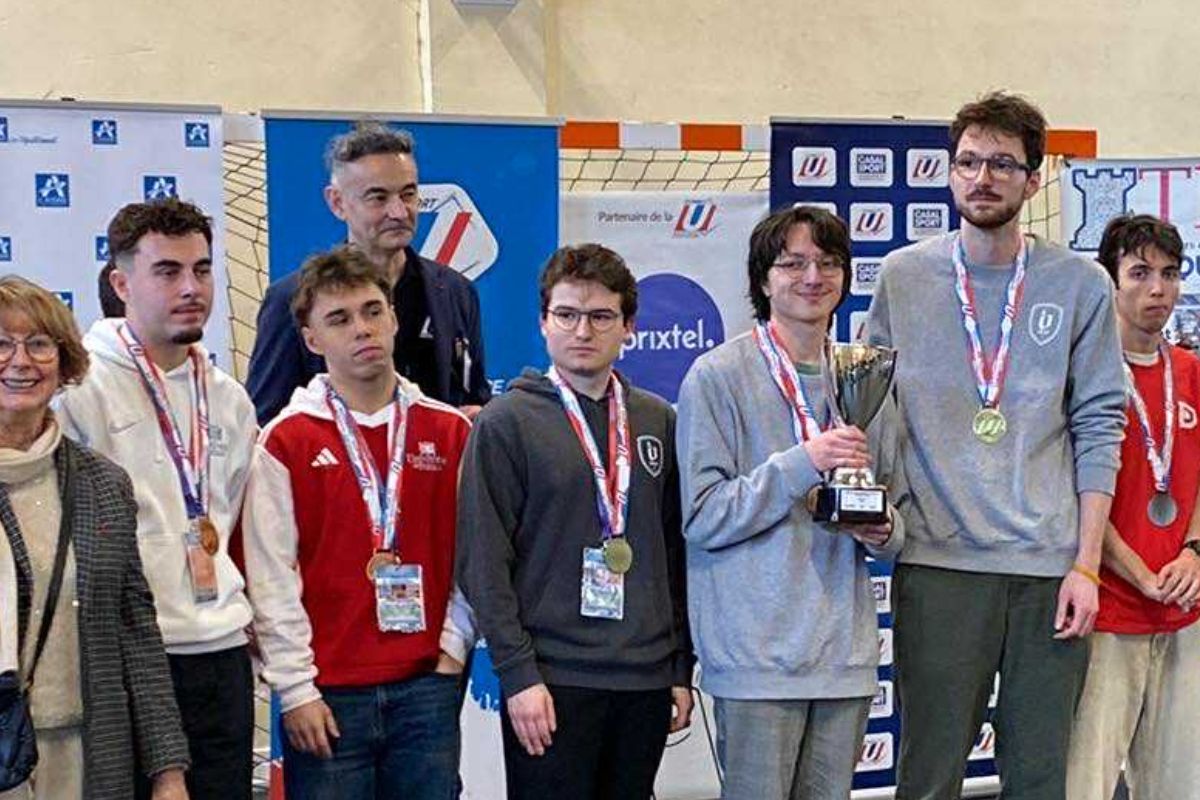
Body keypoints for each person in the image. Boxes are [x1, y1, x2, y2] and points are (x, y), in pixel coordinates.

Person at [865, 91, 1127, 798]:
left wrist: (1086, 565)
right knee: (929, 778)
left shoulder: (1080, 284)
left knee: (1039, 779)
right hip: (939, 567)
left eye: (1003, 164)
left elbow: (1100, 425)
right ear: (950, 173)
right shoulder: (902, 277)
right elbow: (872, 413)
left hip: (1049, 573)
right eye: (969, 162)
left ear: (1033, 180)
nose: (983, 177)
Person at [676, 206, 904, 799]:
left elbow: (898, 514)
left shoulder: (863, 374)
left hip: (843, 659)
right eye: (793, 263)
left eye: (828, 263)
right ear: (763, 279)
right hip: (756, 662)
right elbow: (703, 516)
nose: (812, 277)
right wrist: (802, 461)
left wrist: (881, 527)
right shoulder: (717, 376)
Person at [457, 243, 694, 800]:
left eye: (601, 316)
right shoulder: (506, 423)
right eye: (566, 314)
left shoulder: (657, 419)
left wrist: (679, 666)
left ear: (628, 326)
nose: (582, 331)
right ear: (543, 322)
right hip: (552, 679)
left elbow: (675, 553)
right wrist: (518, 675)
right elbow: (482, 560)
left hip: (644, 677)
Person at [242, 246, 474, 799]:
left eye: (373, 311)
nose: (362, 329)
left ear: (394, 318)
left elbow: (477, 553)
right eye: (339, 319)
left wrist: (454, 643)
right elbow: (270, 575)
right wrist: (296, 689)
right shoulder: (285, 440)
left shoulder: (450, 432)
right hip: (327, 693)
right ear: (311, 340)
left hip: (427, 685)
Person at [57, 200, 258, 800]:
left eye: (202, 270)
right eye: (167, 272)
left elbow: (229, 516)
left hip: (221, 650)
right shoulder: (79, 391)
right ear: (121, 285)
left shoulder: (229, 398)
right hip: (128, 655)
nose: (191, 288)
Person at [0, 275, 188, 800]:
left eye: (40, 344)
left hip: (87, 753)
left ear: (64, 363)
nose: (21, 361)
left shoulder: (102, 484)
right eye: (2, 343)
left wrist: (168, 771)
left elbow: (136, 631)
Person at [1066, 214, 1200, 800]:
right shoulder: (1084, 374)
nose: (1158, 290)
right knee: (1085, 783)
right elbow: (1074, 490)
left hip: (1185, 610)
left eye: (1169, 274)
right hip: (1108, 613)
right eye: (1140, 273)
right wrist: (1139, 574)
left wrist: (1194, 551)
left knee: (1179, 784)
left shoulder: (1192, 372)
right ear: (1110, 280)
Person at [247, 123, 490, 424]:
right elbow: (266, 422)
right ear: (337, 203)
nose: (399, 212)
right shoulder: (291, 298)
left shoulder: (455, 291)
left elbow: (475, 396)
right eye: (378, 198)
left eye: (408, 194)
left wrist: (477, 418)